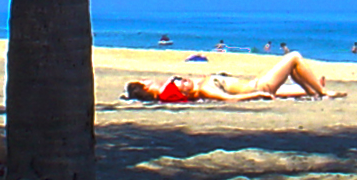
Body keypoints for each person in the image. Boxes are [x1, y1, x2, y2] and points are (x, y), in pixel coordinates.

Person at [125, 53, 331, 103]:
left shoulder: (200, 84)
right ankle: (321, 93)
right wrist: (258, 95)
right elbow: (230, 99)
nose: (182, 81)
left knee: (295, 82)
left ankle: (315, 90)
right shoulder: (205, 89)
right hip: (258, 87)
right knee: (293, 57)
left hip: (256, 84)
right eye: (180, 83)